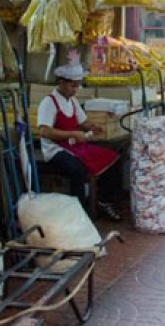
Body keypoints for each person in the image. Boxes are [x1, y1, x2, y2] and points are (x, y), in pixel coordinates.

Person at [37, 58, 122, 221]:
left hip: (75, 146)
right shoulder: (48, 102)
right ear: (61, 82)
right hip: (55, 150)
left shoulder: (73, 101)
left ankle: (104, 201)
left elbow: (82, 122)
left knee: (113, 158)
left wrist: (93, 127)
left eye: (77, 85)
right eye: (72, 85)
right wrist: (72, 134)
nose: (75, 89)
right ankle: (79, 212)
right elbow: (44, 131)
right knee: (77, 170)